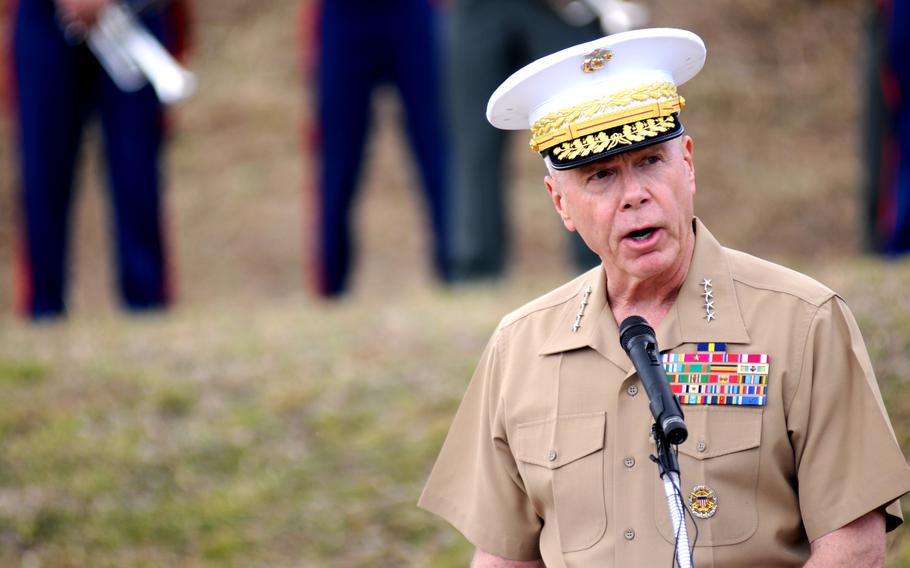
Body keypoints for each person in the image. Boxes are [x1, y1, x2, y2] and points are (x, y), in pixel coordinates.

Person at [419, 29, 910, 566]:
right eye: (601, 175)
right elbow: (505, 558)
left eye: (651, 161)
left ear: (689, 164)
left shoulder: (803, 322)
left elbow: (854, 547)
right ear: (560, 201)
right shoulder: (520, 349)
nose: (635, 196)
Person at [10, 0, 190, 319]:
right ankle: (42, 310)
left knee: (137, 171)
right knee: (42, 170)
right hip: (46, 16)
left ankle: (146, 306)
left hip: (133, 15)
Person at [445, 0, 602, 282]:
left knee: (582, 129)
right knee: (475, 144)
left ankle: (599, 253)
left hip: (560, 9)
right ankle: (477, 269)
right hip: (478, 9)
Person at [303, 0, 450, 297]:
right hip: (343, 16)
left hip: (413, 12)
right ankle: (330, 286)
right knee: (337, 163)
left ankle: (456, 270)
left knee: (437, 152)